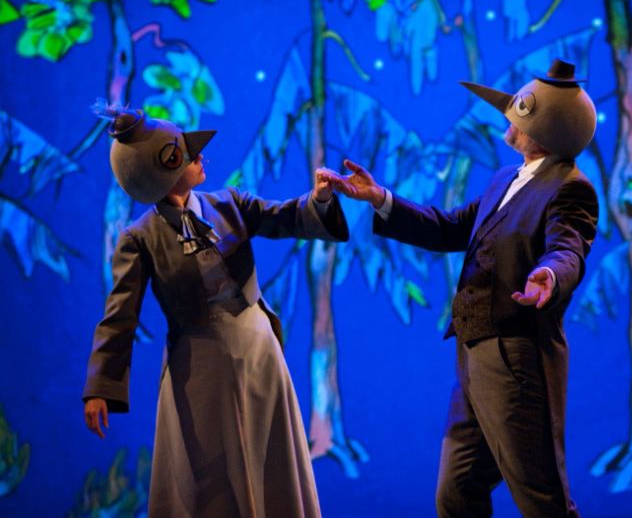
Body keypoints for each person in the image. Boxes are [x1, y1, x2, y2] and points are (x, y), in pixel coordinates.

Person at [332, 59, 599, 517]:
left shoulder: (569, 188)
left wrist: (550, 275)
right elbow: (449, 227)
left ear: (543, 129)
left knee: (541, 498)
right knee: (456, 494)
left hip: (514, 361)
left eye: (518, 113)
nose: (508, 119)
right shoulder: (505, 179)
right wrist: (380, 199)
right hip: (473, 355)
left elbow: (568, 248)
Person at [82, 104, 349, 518]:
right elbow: (120, 315)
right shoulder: (141, 238)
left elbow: (285, 218)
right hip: (201, 369)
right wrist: (101, 386)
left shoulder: (229, 204)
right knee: (212, 479)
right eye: (188, 154)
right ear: (166, 168)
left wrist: (319, 200)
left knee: (272, 462)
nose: (200, 156)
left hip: (257, 354)